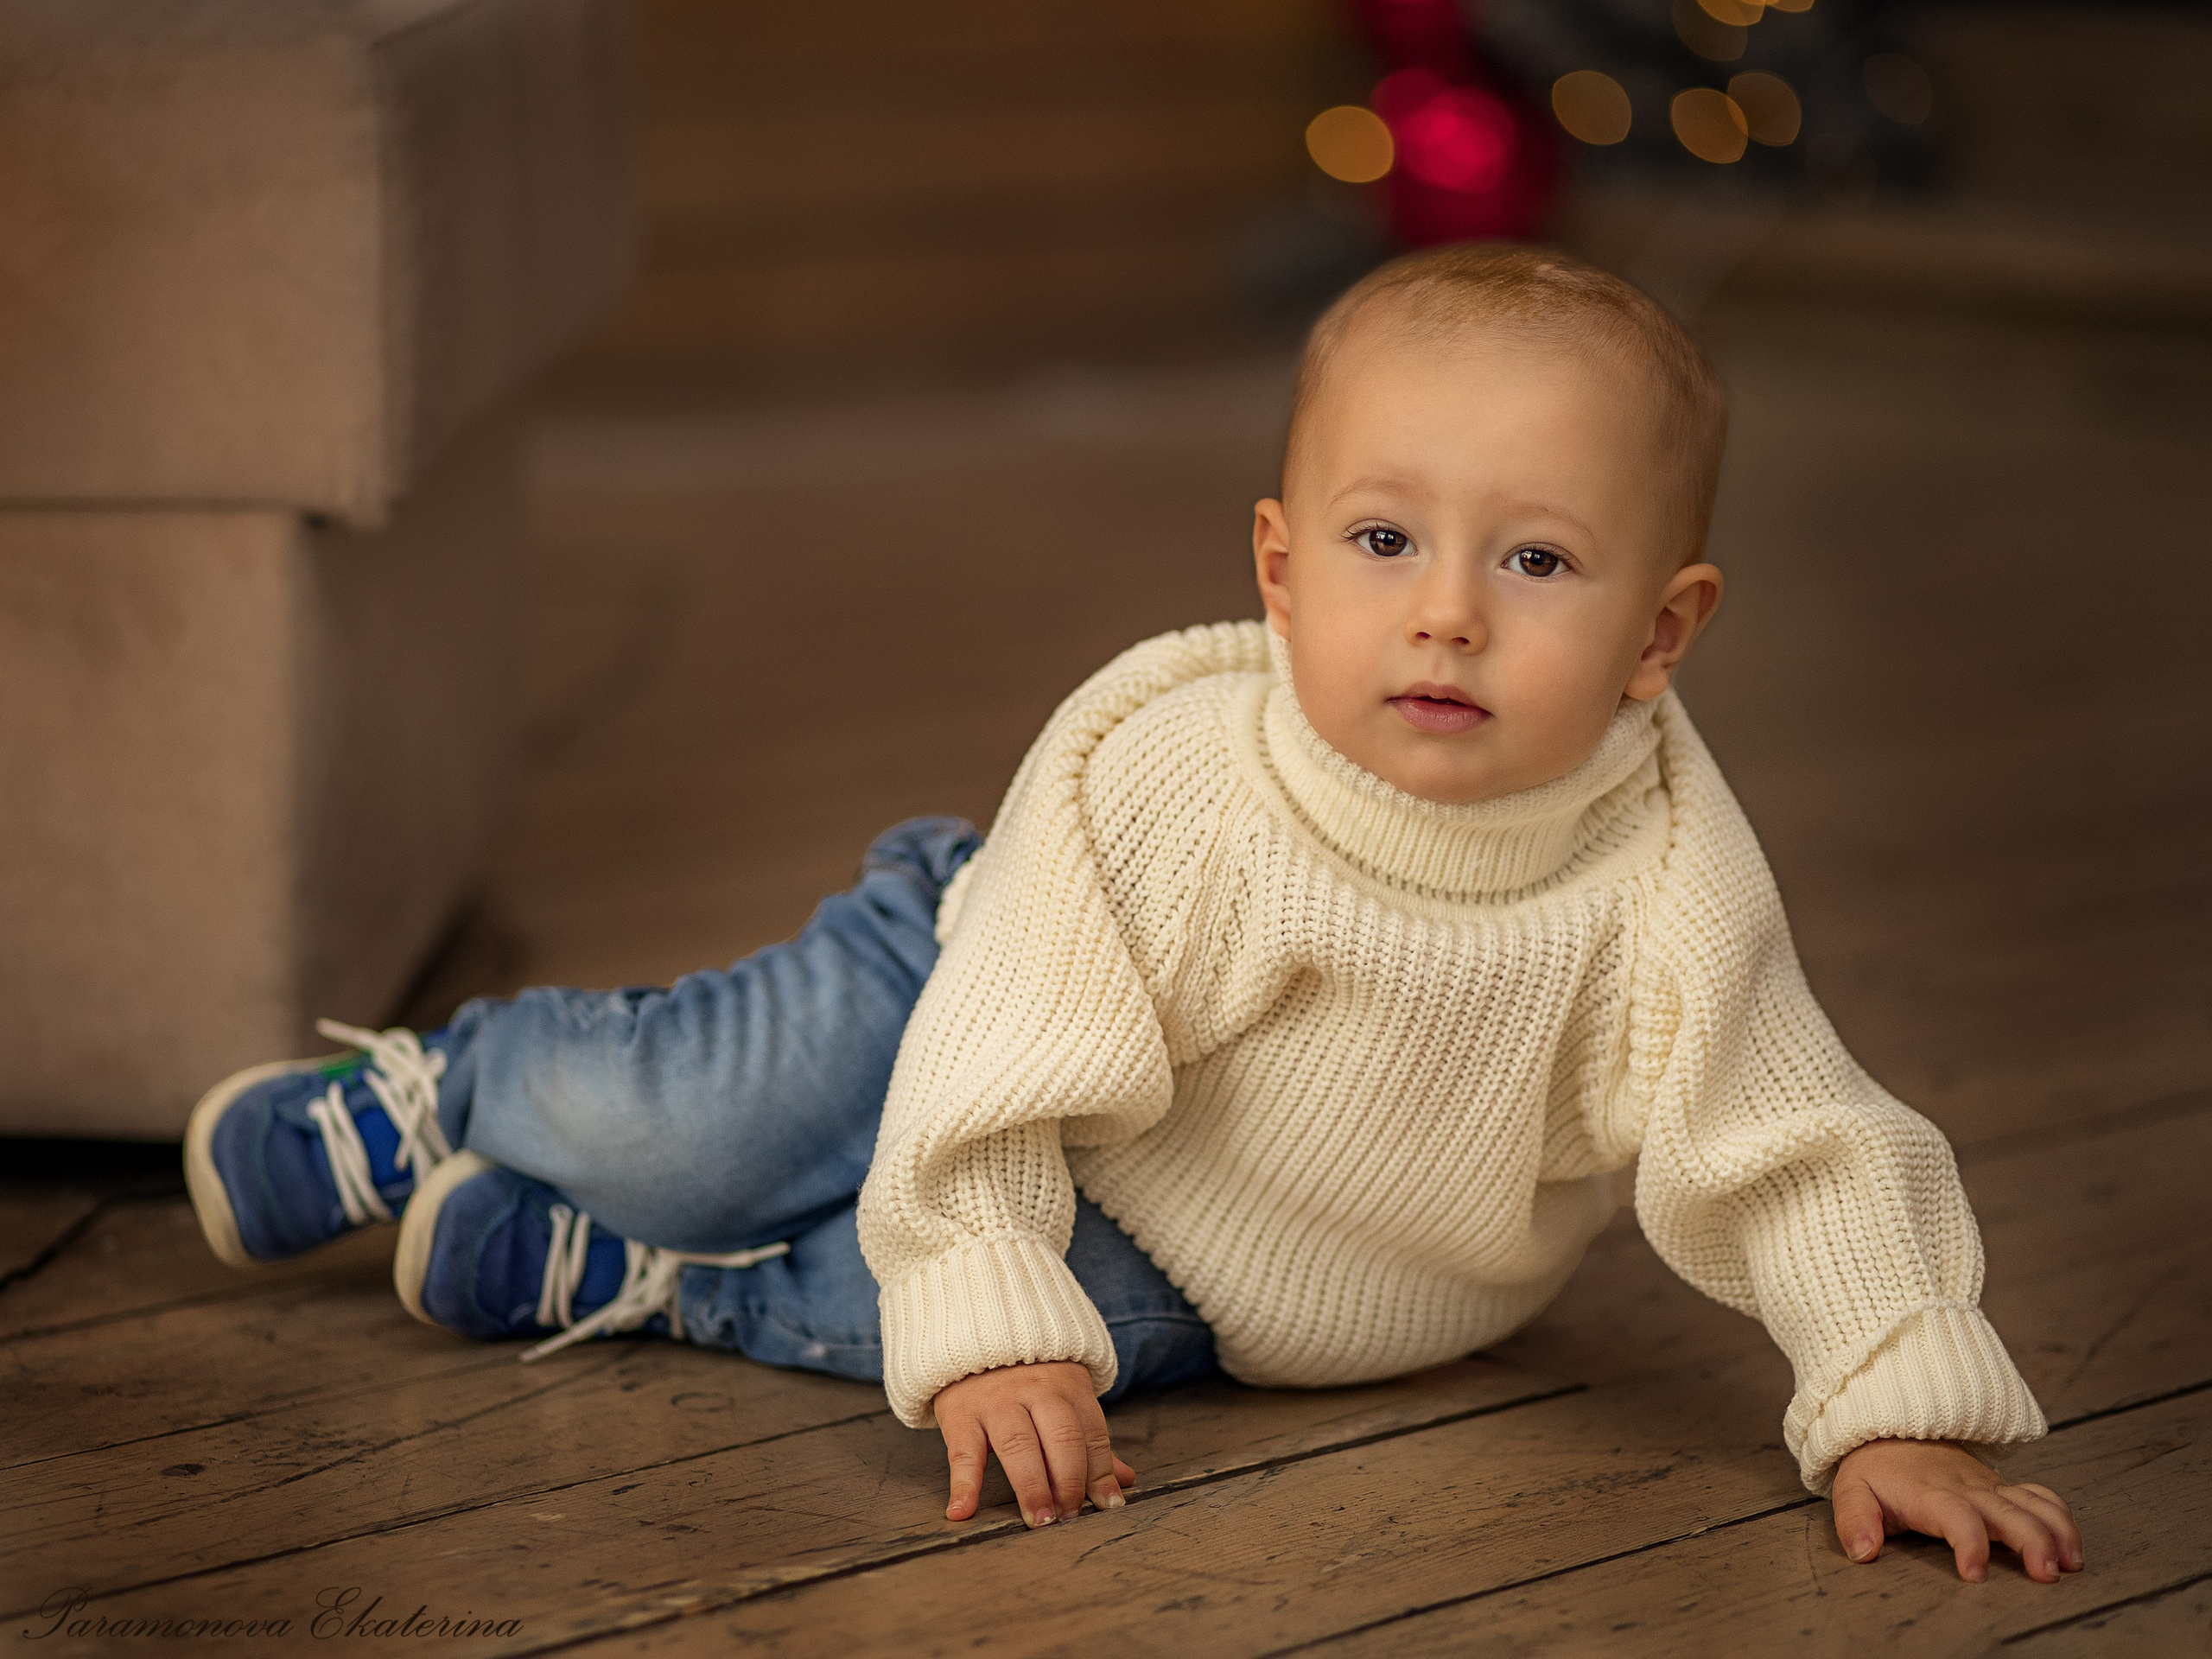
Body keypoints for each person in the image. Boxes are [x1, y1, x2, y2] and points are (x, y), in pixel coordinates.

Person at [182, 243, 2082, 1586]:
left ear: (1661, 634)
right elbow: (997, 1063)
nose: (1445, 612)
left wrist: (1891, 1404)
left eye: (1534, 560)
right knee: (694, 1128)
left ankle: (639, 1279)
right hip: (968, 975)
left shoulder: (1668, 881)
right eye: (1383, 541)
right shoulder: (1173, 771)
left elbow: (1795, 1146)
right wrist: (978, 1255)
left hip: (1221, 1260)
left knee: (1012, 1347)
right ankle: (454, 1090)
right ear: (1281, 568)